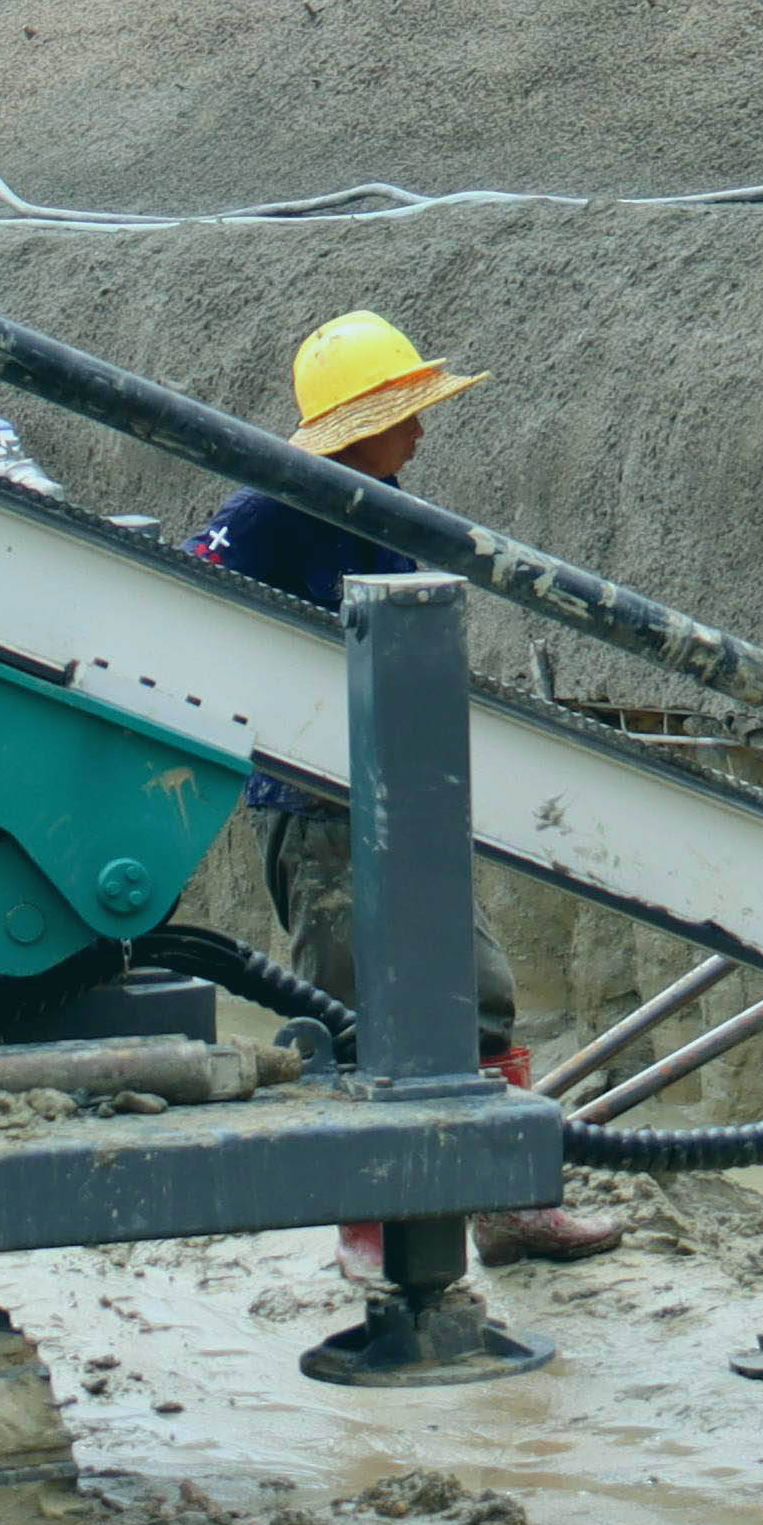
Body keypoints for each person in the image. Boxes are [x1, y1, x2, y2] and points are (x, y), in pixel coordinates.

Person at [193, 310, 622, 1265]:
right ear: (360, 419)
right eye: (407, 414)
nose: (423, 433)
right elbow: (191, 595)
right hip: (317, 815)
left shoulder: (384, 505)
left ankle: (509, 1202)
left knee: (482, 996)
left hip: (405, 800)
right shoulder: (272, 508)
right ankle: (370, 1221)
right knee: (357, 1018)